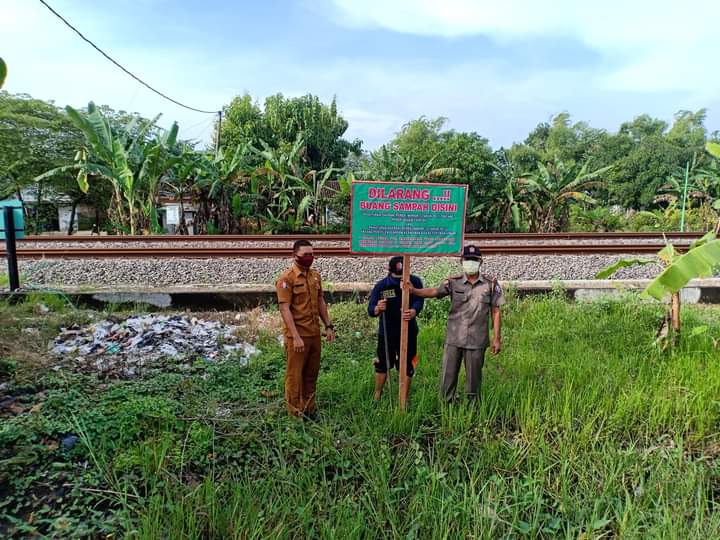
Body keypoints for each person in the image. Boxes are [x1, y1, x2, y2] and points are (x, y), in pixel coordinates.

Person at [409, 245, 504, 402]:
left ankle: (472, 409)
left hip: (477, 340)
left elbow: (496, 311)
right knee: (448, 376)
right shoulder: (453, 282)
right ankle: (446, 408)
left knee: (474, 380)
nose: (470, 262)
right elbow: (435, 292)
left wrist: (497, 338)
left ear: (480, 262)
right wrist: (415, 292)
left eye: (474, 260)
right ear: (462, 261)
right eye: (467, 259)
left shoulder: (490, 284)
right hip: (454, 338)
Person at [276, 239, 336, 420]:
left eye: (312, 254)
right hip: (298, 335)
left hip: (314, 333)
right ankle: (295, 413)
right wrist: (295, 337)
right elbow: (284, 308)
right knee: (294, 376)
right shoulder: (286, 279)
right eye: (306, 255)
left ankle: (309, 409)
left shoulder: (314, 276)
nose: (310, 258)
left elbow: (320, 302)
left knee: (311, 373)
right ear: (295, 256)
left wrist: (329, 325)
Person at [368, 256, 424, 403]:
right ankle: (377, 395)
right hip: (387, 332)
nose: (400, 279)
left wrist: (414, 310)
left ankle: (403, 399)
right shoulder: (382, 285)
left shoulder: (415, 281)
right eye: (396, 277)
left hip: (409, 331)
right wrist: (377, 308)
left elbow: (420, 300)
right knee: (382, 364)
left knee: (408, 364)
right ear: (389, 271)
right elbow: (370, 308)